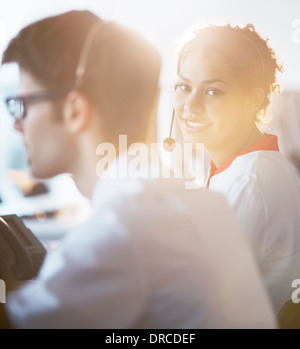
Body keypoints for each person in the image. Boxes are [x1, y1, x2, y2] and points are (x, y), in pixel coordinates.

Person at [0, 11, 276, 329]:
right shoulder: (187, 201)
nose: (17, 123)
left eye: (22, 105)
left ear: (75, 110)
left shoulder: (124, 226)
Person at [173, 23, 300, 314]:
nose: (190, 106)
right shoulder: (253, 166)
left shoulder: (249, 180)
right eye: (183, 87)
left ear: (252, 99)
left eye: (213, 91)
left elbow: (196, 302)